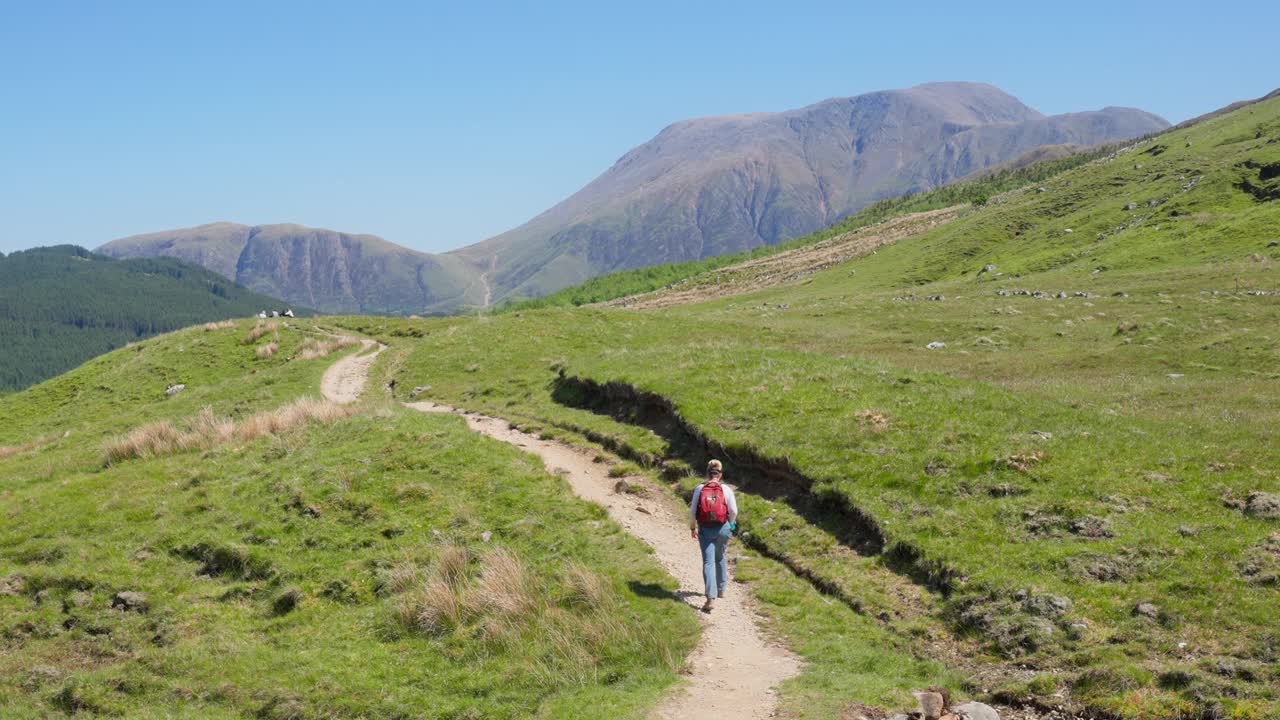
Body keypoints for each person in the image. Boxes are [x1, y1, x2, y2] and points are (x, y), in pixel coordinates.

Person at [689, 459, 738, 612]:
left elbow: (692, 512)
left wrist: (693, 527)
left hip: (705, 529)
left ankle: (711, 598)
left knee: (708, 562)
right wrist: (731, 524)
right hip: (723, 528)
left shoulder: (700, 488)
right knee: (720, 556)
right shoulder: (726, 489)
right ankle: (721, 589)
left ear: (707, 473)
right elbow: (734, 511)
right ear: (720, 474)